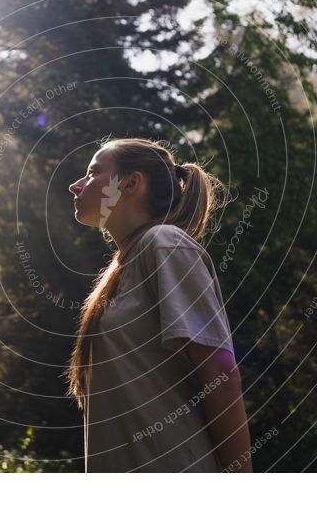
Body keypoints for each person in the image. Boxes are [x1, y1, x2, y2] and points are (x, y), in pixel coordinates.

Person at [66, 137, 253, 473]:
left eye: (93, 172)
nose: (75, 185)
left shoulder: (164, 243)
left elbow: (221, 372)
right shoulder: (124, 266)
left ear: (131, 183)